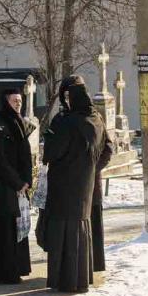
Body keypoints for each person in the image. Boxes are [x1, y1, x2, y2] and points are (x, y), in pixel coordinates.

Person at [39, 81, 106, 293]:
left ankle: (64, 279)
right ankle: (80, 278)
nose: (67, 101)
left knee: (63, 231)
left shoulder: (66, 122)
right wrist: (92, 167)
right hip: (85, 184)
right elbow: (106, 148)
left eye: (69, 97)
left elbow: (52, 152)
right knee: (80, 229)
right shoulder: (96, 120)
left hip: (64, 183)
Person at [51, 75, 113, 273]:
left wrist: (91, 168)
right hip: (68, 184)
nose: (68, 100)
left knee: (91, 223)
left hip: (90, 181)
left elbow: (108, 148)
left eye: (71, 95)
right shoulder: (62, 119)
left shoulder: (95, 117)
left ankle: (93, 265)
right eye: (65, 96)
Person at [0, 87, 32, 284]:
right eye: (14, 101)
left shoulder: (20, 122)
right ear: (6, 101)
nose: (18, 104)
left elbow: (26, 155)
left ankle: (17, 268)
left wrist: (27, 181)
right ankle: (4, 272)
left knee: (17, 228)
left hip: (19, 185)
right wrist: (17, 182)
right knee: (5, 228)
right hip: (3, 185)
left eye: (20, 100)